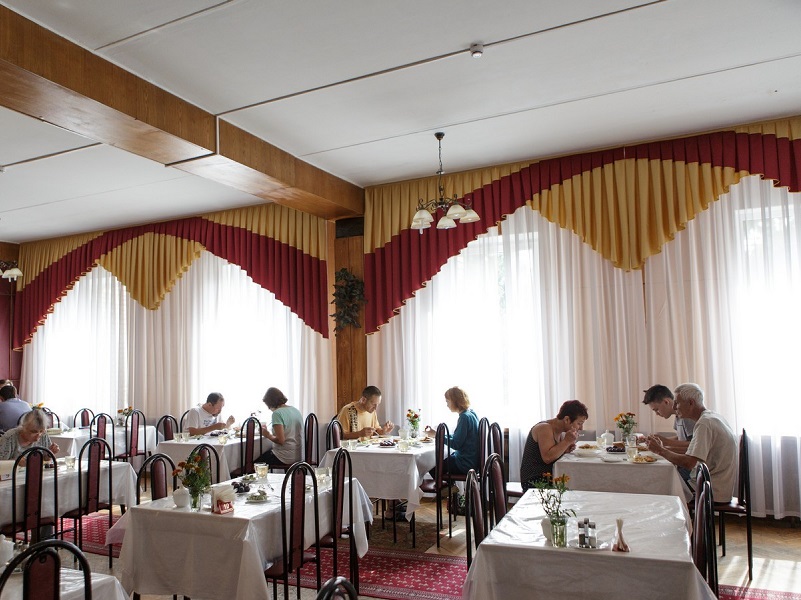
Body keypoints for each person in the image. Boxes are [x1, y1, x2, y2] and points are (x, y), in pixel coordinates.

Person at [647, 383, 737, 502]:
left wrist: (660, 450)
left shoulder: (704, 424)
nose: (674, 407)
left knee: (655, 483)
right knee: (659, 479)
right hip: (716, 484)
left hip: (710, 489)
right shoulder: (710, 417)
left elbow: (689, 463)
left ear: (691, 403)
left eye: (677, 403)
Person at [520, 400, 588, 491]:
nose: (581, 428)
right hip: (535, 481)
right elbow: (547, 458)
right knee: (577, 487)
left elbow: (553, 452)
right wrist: (566, 441)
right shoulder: (544, 428)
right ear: (567, 419)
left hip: (549, 477)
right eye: (579, 423)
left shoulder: (559, 431)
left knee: (580, 481)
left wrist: (565, 450)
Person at [424, 386, 480, 475]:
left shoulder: (464, 417)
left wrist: (437, 435)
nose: (447, 405)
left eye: (447, 401)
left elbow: (456, 444)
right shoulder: (471, 413)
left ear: (455, 401)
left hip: (464, 464)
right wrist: (438, 434)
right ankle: (449, 483)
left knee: (430, 466)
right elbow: (458, 437)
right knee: (441, 461)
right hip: (471, 461)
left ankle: (446, 484)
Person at [255, 387, 303, 466]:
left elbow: (281, 440)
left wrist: (267, 435)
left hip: (284, 456)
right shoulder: (295, 410)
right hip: (298, 455)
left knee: (253, 465)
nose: (269, 408)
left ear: (270, 402)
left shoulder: (277, 413)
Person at [642, 384, 695, 449]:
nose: (657, 414)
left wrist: (666, 442)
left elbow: (695, 444)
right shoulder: (678, 415)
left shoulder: (686, 415)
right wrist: (658, 440)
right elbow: (680, 438)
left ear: (666, 402)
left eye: (657, 409)